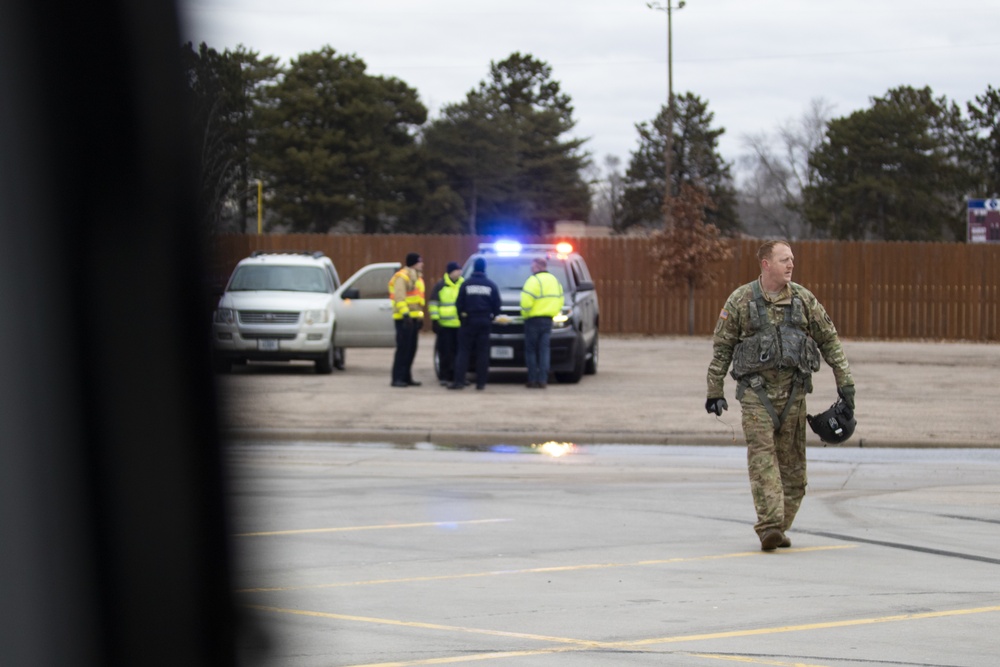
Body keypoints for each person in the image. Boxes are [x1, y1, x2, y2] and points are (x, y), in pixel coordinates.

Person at [705, 240, 855, 551]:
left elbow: (830, 341)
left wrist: (846, 386)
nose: (791, 265)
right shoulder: (741, 300)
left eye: (792, 260)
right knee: (763, 461)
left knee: (795, 473)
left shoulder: (802, 299)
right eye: (784, 259)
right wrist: (714, 390)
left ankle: (778, 527)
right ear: (766, 264)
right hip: (756, 396)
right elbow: (722, 349)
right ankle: (770, 526)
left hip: (795, 397)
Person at [449, 257, 500, 390]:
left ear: (473, 268)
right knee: (482, 353)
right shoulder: (490, 285)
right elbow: (497, 305)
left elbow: (459, 304)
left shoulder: (466, 284)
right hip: (484, 321)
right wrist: (491, 317)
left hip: (468, 321)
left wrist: (462, 318)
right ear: (484, 268)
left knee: (463, 352)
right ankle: (481, 383)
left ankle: (459, 381)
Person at [520, 257, 565, 388]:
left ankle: (532, 379)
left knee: (531, 350)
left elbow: (526, 302)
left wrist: (525, 315)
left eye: (532, 266)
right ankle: (543, 380)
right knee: (544, 350)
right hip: (548, 320)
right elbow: (560, 300)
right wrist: (553, 312)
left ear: (538, 267)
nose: (531, 269)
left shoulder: (533, 280)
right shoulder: (555, 281)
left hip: (533, 320)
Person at [389, 252, 425, 387]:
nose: (422, 264)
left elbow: (417, 301)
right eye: (420, 261)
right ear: (414, 263)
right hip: (403, 319)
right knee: (403, 349)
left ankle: (406, 377)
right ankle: (397, 378)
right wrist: (405, 315)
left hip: (413, 319)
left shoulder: (417, 278)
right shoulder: (402, 277)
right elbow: (399, 298)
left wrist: (420, 318)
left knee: (411, 349)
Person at [428, 261, 464, 386]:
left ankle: (457, 375)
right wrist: (435, 320)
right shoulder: (440, 286)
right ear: (450, 272)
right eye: (457, 270)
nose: (459, 272)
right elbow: (433, 304)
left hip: (460, 325)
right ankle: (444, 376)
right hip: (445, 325)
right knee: (445, 352)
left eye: (460, 270)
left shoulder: (463, 284)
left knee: (458, 352)